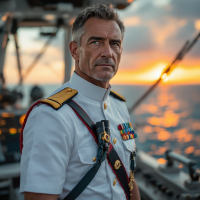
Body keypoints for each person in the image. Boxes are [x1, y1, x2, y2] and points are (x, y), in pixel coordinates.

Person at [20, 4, 141, 200]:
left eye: (115, 43)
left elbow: (129, 177)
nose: (108, 52)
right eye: (96, 42)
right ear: (75, 50)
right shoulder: (51, 116)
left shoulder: (119, 106)